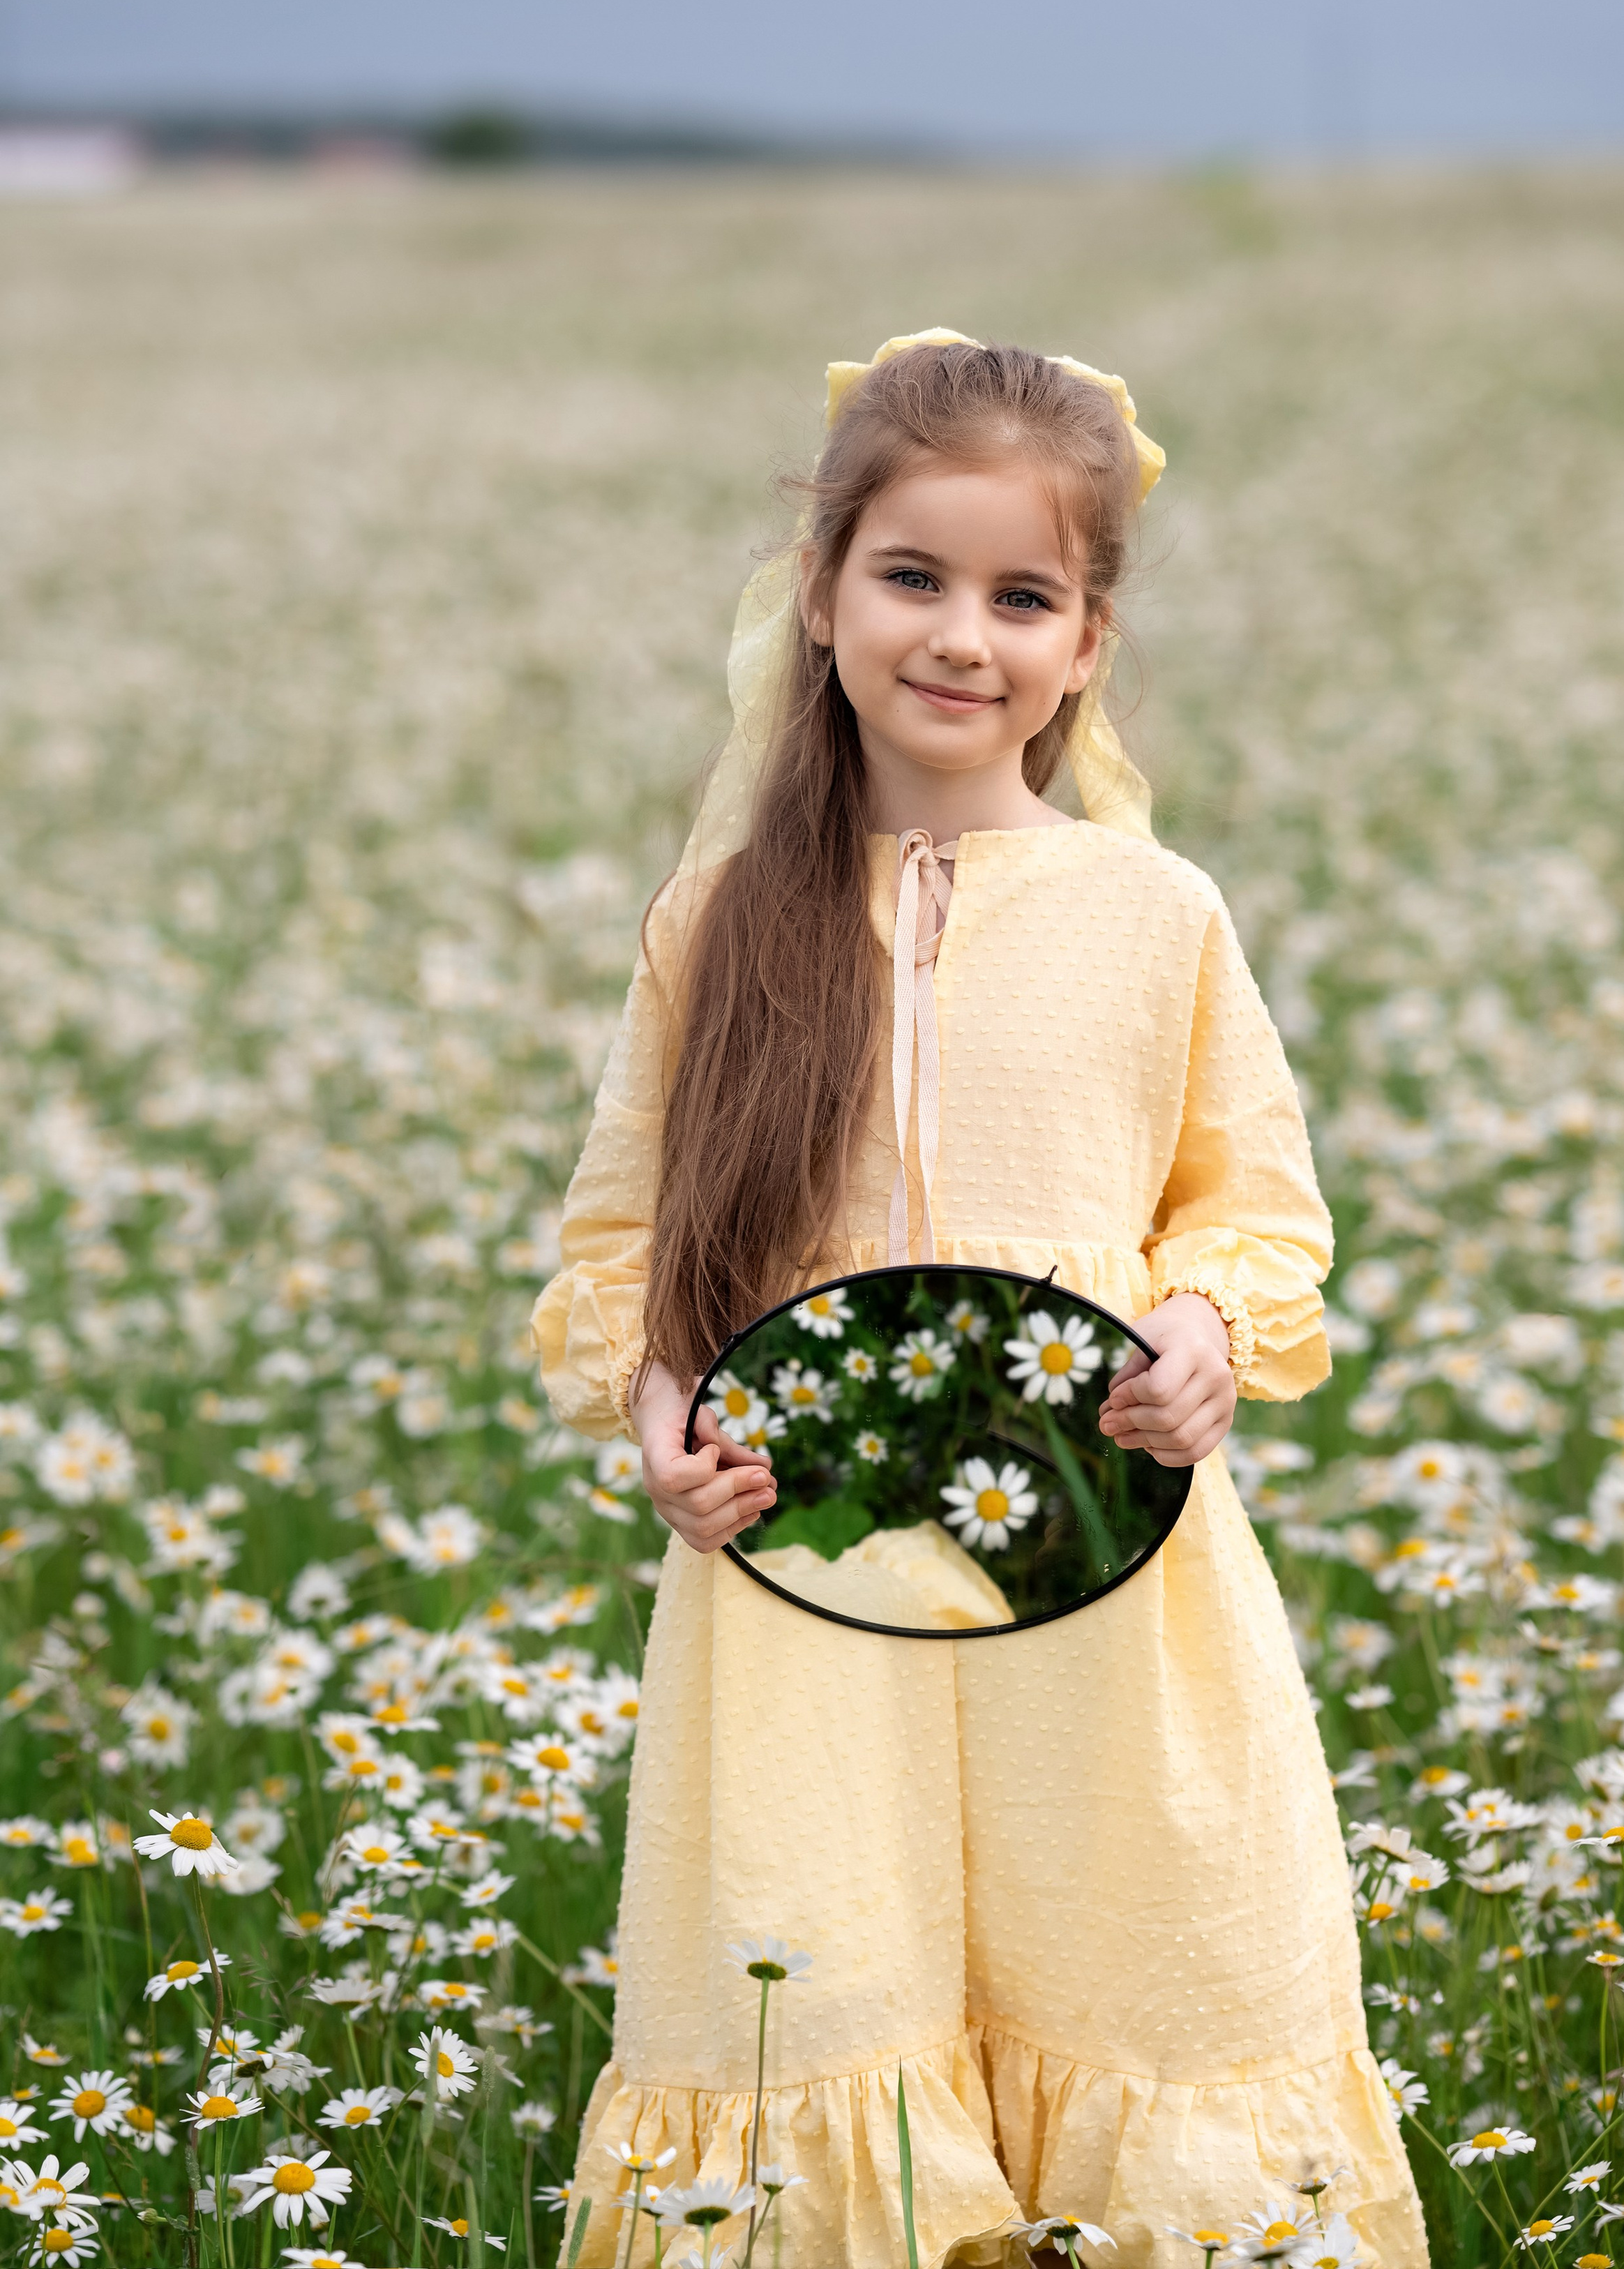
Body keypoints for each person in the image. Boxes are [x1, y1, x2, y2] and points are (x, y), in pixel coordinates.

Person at [532, 334, 1427, 2267]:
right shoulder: (720, 922)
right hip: (803, 1582)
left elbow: (1255, 1215)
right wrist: (660, 1421)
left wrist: (1205, 1339)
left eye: (1023, 595)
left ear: (1088, 641)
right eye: (913, 578)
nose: (964, 635)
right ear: (823, 590)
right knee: (818, 1993)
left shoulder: (1154, 912)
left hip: (1104, 1556)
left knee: (1142, 1960)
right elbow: (622, 1250)